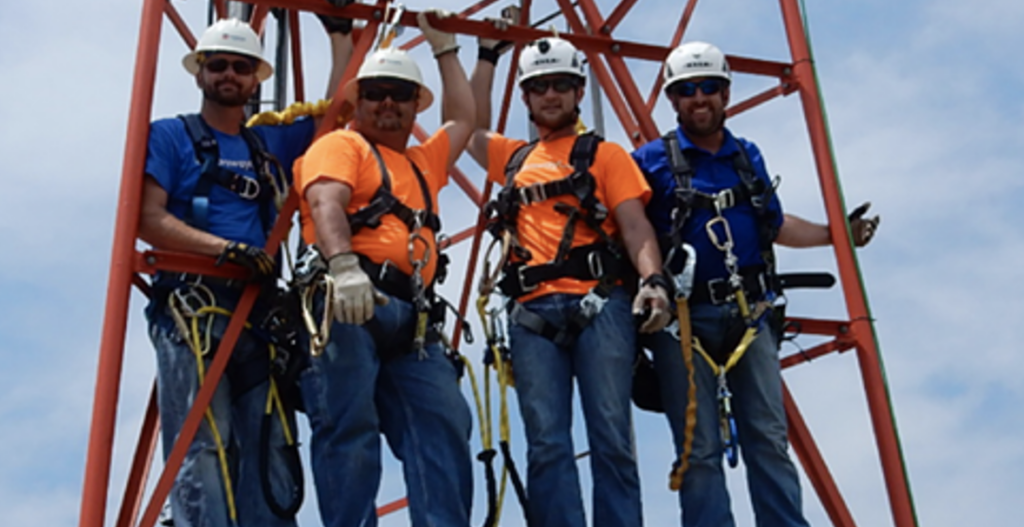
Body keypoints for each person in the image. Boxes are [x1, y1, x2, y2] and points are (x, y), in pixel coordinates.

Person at [632, 41, 880, 527]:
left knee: (767, 435)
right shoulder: (649, 162)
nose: (699, 98)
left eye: (708, 88)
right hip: (682, 320)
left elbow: (774, 224)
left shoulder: (746, 157)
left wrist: (837, 237)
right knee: (697, 446)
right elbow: (632, 233)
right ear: (672, 99)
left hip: (750, 314)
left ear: (726, 92)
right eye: (687, 90)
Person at [138, 12, 353, 527]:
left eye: (240, 66)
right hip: (193, 310)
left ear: (257, 76)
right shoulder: (170, 137)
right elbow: (147, 219)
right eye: (218, 65)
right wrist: (222, 248)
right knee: (202, 445)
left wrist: (340, 33)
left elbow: (339, 113)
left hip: (255, 317)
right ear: (200, 73)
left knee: (271, 447)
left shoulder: (268, 145)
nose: (228, 75)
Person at [466, 34, 672, 527]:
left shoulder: (607, 156)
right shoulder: (514, 160)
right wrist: (487, 59)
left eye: (560, 85)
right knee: (547, 444)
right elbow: (466, 129)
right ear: (527, 97)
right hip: (533, 313)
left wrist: (654, 282)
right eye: (540, 86)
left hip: (601, 305)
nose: (551, 95)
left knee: (611, 439)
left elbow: (635, 224)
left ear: (579, 91)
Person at [293, 10, 476, 527]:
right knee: (349, 428)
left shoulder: (422, 161)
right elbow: (327, 202)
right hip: (352, 300)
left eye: (399, 93)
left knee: (442, 423)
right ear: (358, 101)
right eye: (375, 92)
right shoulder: (341, 144)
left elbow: (464, 120)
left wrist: (446, 50)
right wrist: (345, 266)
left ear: (416, 104)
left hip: (411, 317)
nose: (388, 103)